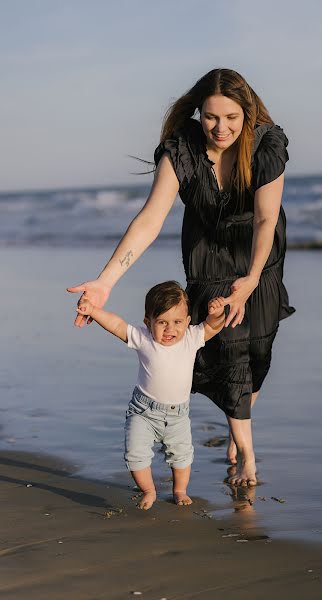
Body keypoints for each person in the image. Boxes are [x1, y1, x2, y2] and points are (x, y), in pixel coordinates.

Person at [67, 68, 295, 488]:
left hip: (258, 256)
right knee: (228, 345)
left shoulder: (267, 145)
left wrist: (251, 277)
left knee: (257, 353)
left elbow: (266, 219)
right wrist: (106, 280)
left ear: (246, 114)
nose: (220, 128)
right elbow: (150, 219)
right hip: (207, 254)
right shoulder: (182, 150)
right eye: (211, 117)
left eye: (231, 117)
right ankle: (247, 452)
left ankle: (238, 418)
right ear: (199, 113)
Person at [75, 280, 226, 510]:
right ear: (149, 322)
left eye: (177, 322)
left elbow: (213, 327)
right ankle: (149, 490)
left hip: (177, 415)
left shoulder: (191, 338)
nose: (170, 329)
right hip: (143, 412)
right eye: (162, 322)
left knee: (182, 456)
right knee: (135, 456)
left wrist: (217, 314)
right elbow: (117, 325)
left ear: (187, 322)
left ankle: (179, 490)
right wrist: (93, 311)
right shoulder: (143, 338)